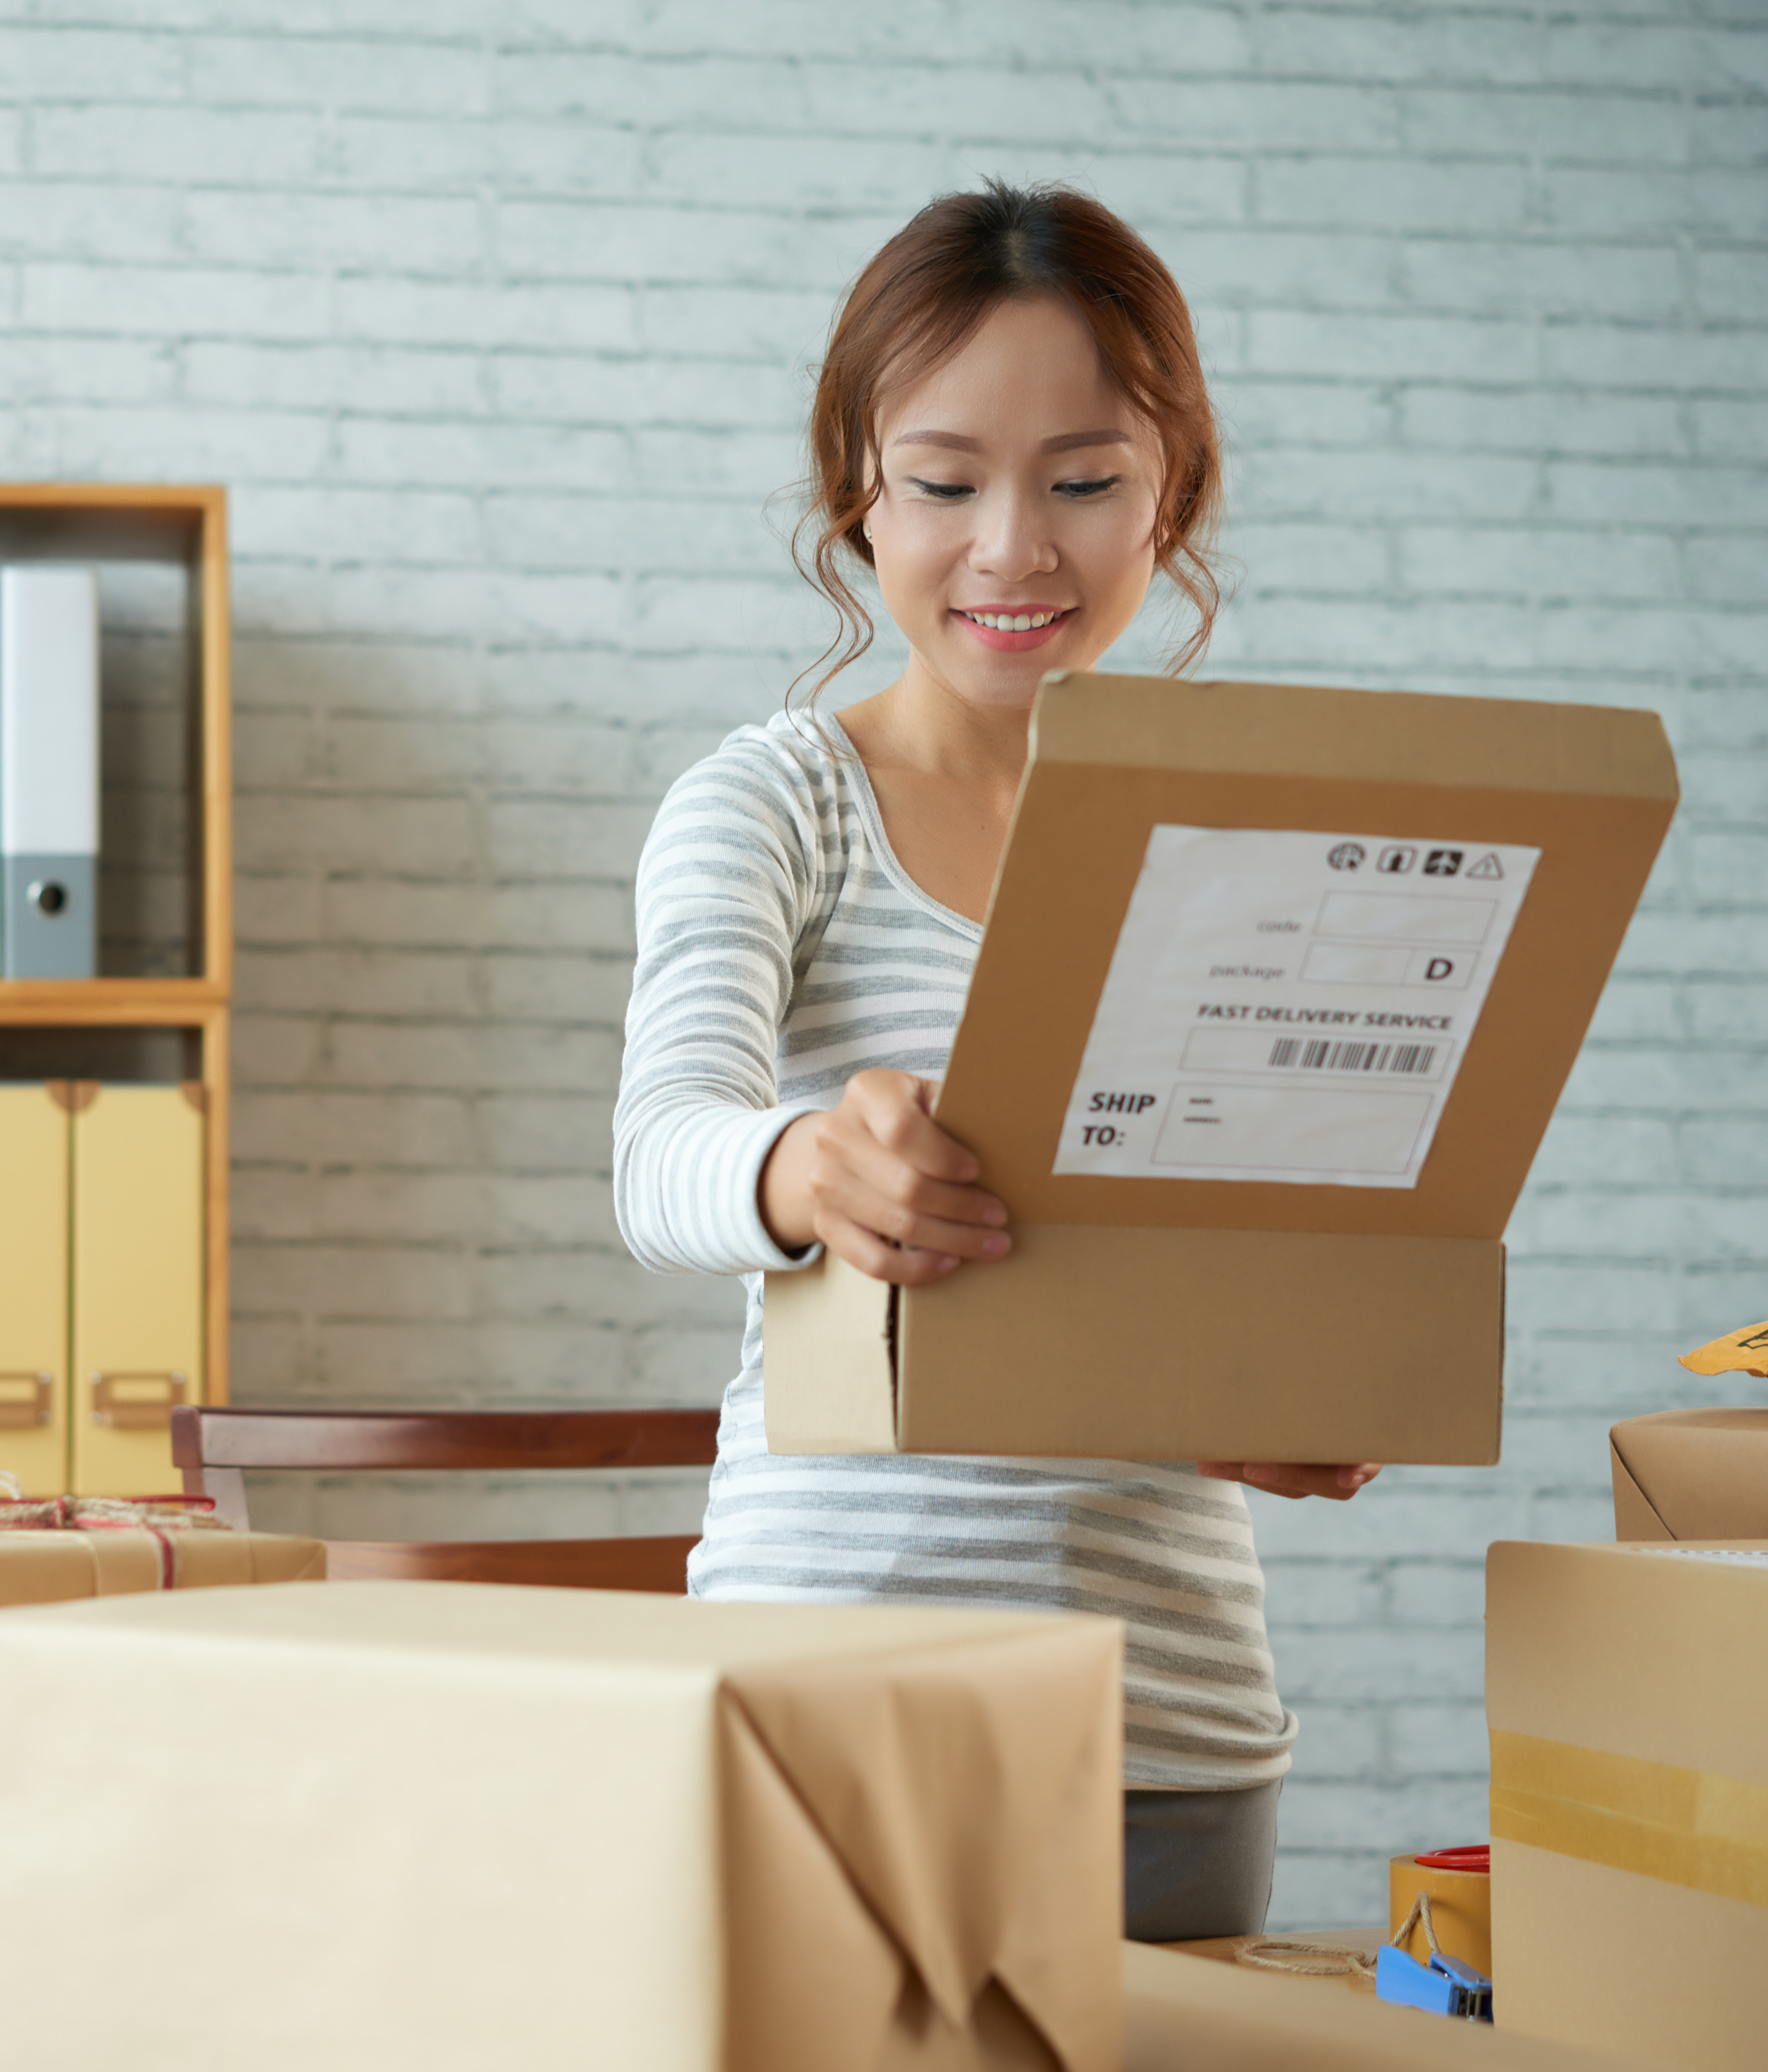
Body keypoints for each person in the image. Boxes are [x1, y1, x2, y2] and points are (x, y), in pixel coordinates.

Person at [612, 179, 1380, 1942]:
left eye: (1086, 481)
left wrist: (1307, 1383)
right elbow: (661, 1152)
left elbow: (1260, 1239)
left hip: (1168, 1712)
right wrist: (805, 1169)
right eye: (947, 484)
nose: (1015, 551)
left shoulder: (1241, 829)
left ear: (1170, 491)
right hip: (828, 1694)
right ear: (857, 497)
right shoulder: (778, 801)